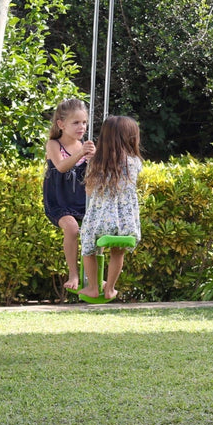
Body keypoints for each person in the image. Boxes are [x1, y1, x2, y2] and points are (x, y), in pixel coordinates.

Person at [78, 115, 143, 301]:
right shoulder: (135, 162)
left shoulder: (96, 163)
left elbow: (89, 190)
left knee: (88, 248)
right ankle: (110, 289)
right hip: (125, 223)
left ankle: (93, 287)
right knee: (118, 252)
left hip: (99, 222)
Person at [43, 98, 95, 292]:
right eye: (76, 123)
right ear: (61, 124)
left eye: (84, 122)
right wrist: (81, 153)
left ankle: (94, 277)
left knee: (96, 228)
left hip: (81, 200)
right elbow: (61, 167)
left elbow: (94, 175)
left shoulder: (85, 147)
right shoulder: (53, 144)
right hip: (59, 201)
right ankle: (73, 274)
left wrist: (93, 159)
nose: (82, 127)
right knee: (72, 228)